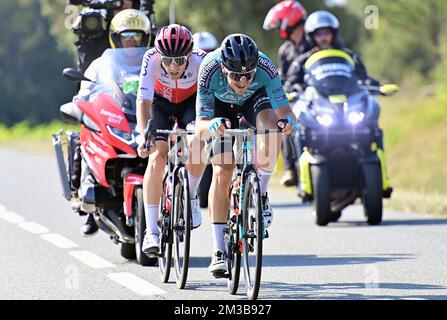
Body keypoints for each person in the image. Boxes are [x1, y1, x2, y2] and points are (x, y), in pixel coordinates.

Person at [194, 34, 296, 276]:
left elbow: (286, 111)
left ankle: (260, 192)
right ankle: (219, 249)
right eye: (235, 75)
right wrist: (211, 126)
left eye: (248, 75)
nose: (242, 81)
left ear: (255, 68)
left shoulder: (266, 68)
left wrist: (290, 124)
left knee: (273, 128)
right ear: (223, 67)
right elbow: (200, 124)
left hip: (254, 101)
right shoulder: (209, 69)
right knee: (222, 170)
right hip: (219, 109)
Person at [286, 10, 392, 198]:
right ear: (311, 36)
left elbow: (363, 77)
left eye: (327, 32)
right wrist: (292, 89)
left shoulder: (349, 56)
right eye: (319, 33)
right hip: (319, 109)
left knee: (373, 125)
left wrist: (376, 85)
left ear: (334, 34)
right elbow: (291, 82)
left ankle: (382, 181)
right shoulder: (302, 61)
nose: (324, 37)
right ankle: (296, 174)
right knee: (296, 126)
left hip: (347, 109)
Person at [74, 9, 152, 236]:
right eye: (126, 36)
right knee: (87, 134)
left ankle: (184, 203)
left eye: (136, 37)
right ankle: (85, 196)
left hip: (145, 121)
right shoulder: (100, 64)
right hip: (118, 119)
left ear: (145, 38)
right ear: (116, 38)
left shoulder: (153, 62)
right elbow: (85, 92)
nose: (131, 42)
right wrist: (82, 105)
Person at [136, 24, 208, 257]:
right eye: (168, 60)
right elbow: (144, 102)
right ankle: (152, 232)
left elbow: (210, 101)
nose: (173, 67)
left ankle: (192, 196)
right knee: (157, 156)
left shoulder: (202, 60)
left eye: (179, 60)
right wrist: (143, 135)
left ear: (190, 55)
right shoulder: (151, 58)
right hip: (160, 104)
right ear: (160, 56)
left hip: (191, 103)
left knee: (197, 146)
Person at [263, 0, 309, 187]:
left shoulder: (316, 40)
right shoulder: (285, 50)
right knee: (285, 120)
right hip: (296, 97)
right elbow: (280, 78)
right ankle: (291, 168)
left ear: (289, 20)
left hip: (318, 94)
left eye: (280, 21)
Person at [69, 0, 156, 75]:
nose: (122, 4)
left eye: (136, 36)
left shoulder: (149, 38)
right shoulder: (95, 42)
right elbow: (88, 84)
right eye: (125, 36)